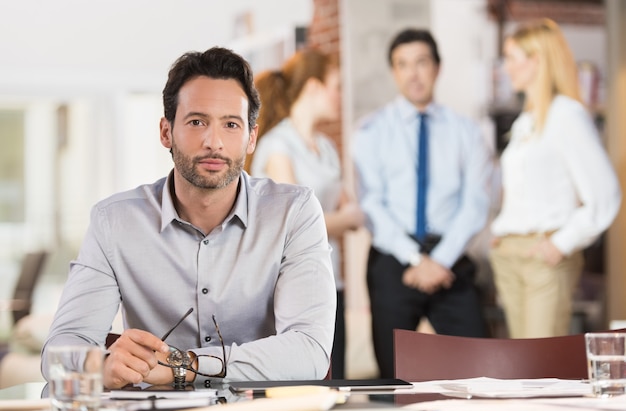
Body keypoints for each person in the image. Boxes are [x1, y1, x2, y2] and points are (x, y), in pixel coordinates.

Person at [41, 47, 336, 389]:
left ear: (251, 137)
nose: (214, 142)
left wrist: (185, 365)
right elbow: (59, 350)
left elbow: (310, 351)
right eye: (197, 122)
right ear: (166, 132)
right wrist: (102, 365)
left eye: (231, 124)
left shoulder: (294, 213)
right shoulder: (114, 222)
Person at [352, 28, 493, 379]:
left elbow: (475, 203)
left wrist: (438, 261)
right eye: (403, 65)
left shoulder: (467, 131)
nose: (413, 74)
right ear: (394, 72)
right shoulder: (371, 131)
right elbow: (372, 204)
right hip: (393, 260)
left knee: (481, 370)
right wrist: (417, 260)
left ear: (437, 68)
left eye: (421, 63)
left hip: (451, 258)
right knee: (395, 379)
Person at [489, 18, 621, 339]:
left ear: (536, 61)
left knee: (539, 369)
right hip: (510, 255)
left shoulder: (566, 115)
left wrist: (561, 244)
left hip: (542, 257)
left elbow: (605, 196)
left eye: (511, 58)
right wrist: (502, 231)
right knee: (522, 370)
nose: (506, 68)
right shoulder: (526, 121)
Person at [249, 48, 365, 379]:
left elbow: (349, 211)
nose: (341, 95)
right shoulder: (278, 146)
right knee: (300, 384)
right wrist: (338, 220)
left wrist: (334, 220)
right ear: (314, 87)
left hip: (333, 281)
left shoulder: (326, 147)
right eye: (336, 86)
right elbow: (295, 226)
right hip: (290, 287)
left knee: (334, 381)